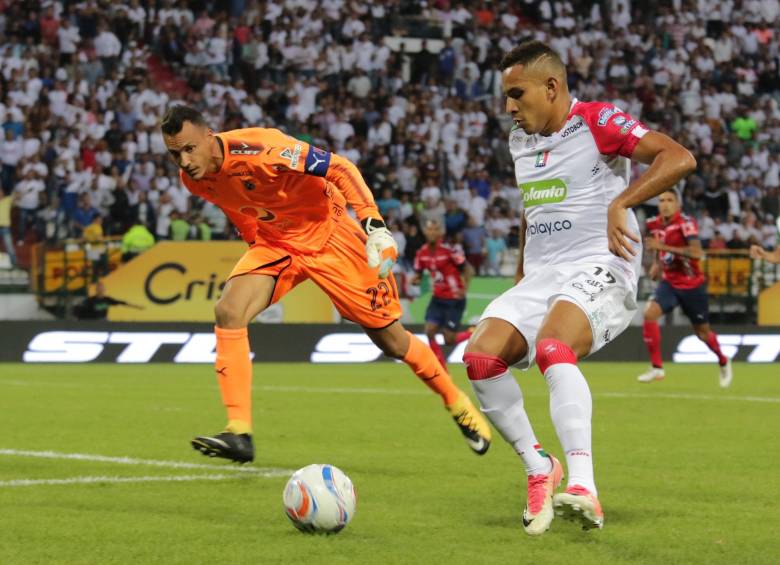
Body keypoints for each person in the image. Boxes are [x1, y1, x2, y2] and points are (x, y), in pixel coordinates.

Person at [160, 105, 491, 464]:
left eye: (189, 148)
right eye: (174, 153)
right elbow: (235, 203)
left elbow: (340, 167)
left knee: (392, 340)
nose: (184, 160)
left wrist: (373, 225)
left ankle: (456, 402)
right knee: (228, 311)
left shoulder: (262, 148)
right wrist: (253, 237)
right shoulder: (193, 179)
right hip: (278, 243)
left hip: (330, 237)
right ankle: (239, 430)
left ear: (210, 137)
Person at [462, 41, 697, 535]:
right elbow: (534, 207)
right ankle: (539, 468)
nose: (508, 106)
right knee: (481, 359)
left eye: (516, 93)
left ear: (552, 87)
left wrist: (622, 203)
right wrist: (523, 271)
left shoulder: (598, 120)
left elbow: (679, 158)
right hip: (543, 272)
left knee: (552, 347)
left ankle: (584, 486)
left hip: (600, 261)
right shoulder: (519, 140)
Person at [638, 190, 732, 387]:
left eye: (669, 200)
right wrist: (657, 263)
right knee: (649, 314)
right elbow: (658, 247)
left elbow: (697, 253)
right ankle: (656, 367)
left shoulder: (686, 223)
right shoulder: (653, 224)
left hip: (692, 286)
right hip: (670, 283)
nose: (665, 204)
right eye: (661, 200)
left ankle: (723, 361)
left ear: (678, 204)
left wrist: (664, 249)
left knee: (703, 334)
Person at [413, 219, 474, 369]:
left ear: (441, 233)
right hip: (437, 298)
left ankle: (472, 332)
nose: (432, 233)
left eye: (435, 229)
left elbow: (468, 269)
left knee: (449, 340)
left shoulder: (450, 250)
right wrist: (415, 280)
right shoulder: (421, 253)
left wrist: (464, 289)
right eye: (429, 229)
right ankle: (442, 370)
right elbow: (419, 274)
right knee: (429, 331)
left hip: (454, 300)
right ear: (425, 232)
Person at [74, 281, 143, 319]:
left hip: (103, 320)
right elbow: (82, 309)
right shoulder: (91, 300)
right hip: (93, 320)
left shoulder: (107, 299)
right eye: (99, 287)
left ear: (104, 289)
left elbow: (120, 302)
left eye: (102, 287)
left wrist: (135, 306)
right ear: (96, 289)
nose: (100, 289)